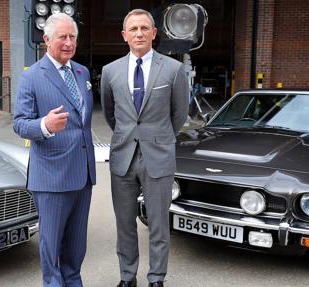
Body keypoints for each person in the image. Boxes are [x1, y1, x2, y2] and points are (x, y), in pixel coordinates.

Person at [100, 9, 189, 287]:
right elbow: (110, 113)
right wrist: (130, 136)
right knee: (124, 224)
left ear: (154, 33)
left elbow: (179, 114)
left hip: (158, 157)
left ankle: (156, 278)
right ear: (124, 35)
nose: (139, 33)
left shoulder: (173, 70)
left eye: (144, 28)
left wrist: (158, 138)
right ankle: (127, 277)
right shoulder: (110, 71)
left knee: (159, 225)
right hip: (123, 158)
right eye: (133, 29)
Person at [13, 13, 96, 287]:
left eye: (72, 37)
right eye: (62, 36)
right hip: (51, 178)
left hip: (83, 176)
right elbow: (20, 124)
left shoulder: (82, 72)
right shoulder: (32, 76)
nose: (69, 42)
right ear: (47, 39)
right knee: (51, 250)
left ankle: (74, 282)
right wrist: (45, 125)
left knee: (76, 247)